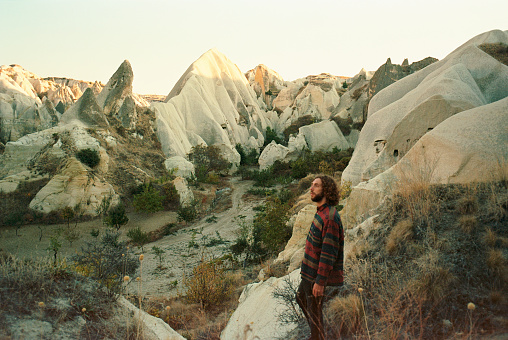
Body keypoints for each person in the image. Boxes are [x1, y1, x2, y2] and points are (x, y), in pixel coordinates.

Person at [296, 175, 344, 340]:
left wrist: (320, 281)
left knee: (315, 313)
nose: (311, 188)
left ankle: (318, 336)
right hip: (309, 274)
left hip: (316, 276)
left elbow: (328, 253)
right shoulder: (321, 212)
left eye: (316, 186)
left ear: (326, 191)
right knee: (301, 298)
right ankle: (318, 334)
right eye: (311, 185)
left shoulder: (330, 218)